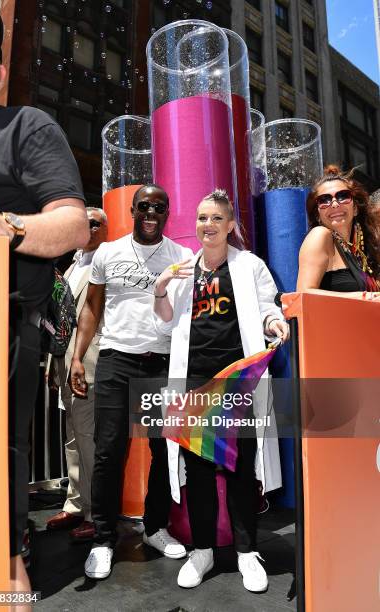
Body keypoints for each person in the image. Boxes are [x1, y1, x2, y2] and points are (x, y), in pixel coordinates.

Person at [0, 0, 89, 599]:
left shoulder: (26, 126)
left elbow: (72, 226)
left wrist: (4, 227)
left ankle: (5, 566)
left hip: (2, 320)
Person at [154, 189, 289, 592]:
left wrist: (275, 323)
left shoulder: (249, 266)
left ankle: (247, 552)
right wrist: (160, 288)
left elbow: (268, 307)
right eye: (201, 218)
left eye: (215, 218)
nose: (207, 225)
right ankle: (203, 550)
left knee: (240, 469)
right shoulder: (182, 270)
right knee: (197, 473)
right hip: (194, 383)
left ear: (230, 225)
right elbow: (164, 325)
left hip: (236, 383)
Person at [70, 184, 192, 580]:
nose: (151, 213)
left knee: (162, 451)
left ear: (168, 212)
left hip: (161, 364)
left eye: (159, 207)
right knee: (108, 451)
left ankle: (155, 528)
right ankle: (104, 540)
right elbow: (92, 308)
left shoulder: (181, 257)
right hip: (116, 360)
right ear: (134, 209)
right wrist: (77, 356)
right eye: (144, 206)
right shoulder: (108, 252)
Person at [47, 208, 107, 542]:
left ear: (107, 228)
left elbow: (96, 317)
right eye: (84, 222)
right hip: (63, 363)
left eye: (96, 222)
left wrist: (77, 359)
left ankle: (94, 514)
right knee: (72, 436)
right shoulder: (73, 264)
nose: (89, 227)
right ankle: (74, 504)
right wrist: (52, 364)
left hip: (88, 363)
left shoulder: (107, 261)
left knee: (88, 439)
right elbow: (59, 321)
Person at [297, 165, 380, 296]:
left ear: (355, 209)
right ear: (317, 214)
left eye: (343, 196)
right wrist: (361, 296)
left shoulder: (360, 253)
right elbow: (303, 294)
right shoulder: (320, 235)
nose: (335, 204)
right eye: (324, 199)